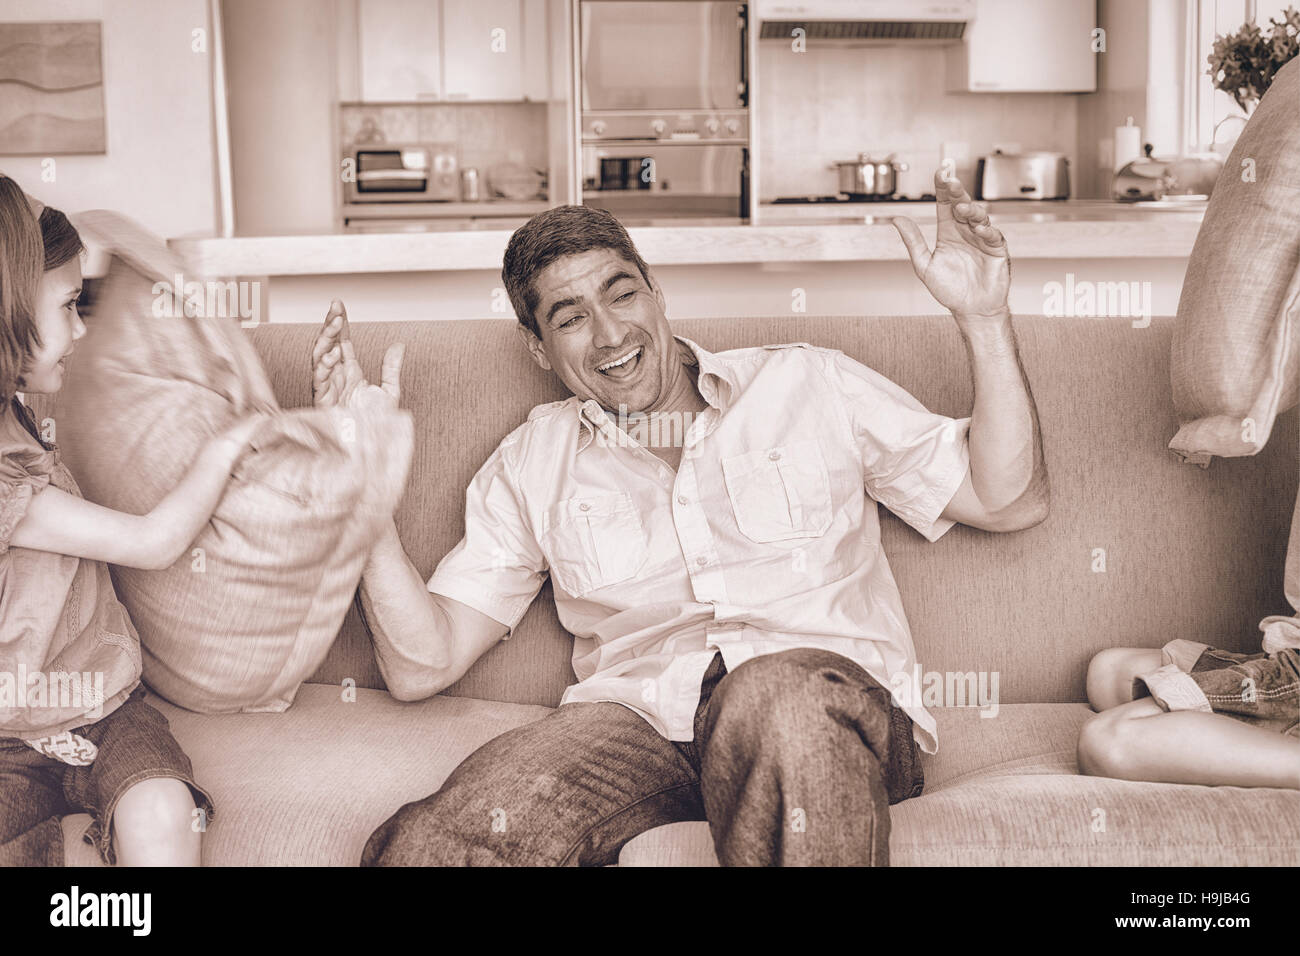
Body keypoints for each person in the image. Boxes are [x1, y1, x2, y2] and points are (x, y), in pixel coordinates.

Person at [312, 170, 1050, 866]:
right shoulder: (529, 461)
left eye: (621, 295)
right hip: (635, 728)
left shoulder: (807, 382)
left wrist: (983, 317)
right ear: (537, 348)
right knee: (437, 836)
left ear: (657, 294)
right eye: (570, 318)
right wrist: (367, 503)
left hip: (818, 716)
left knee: (771, 697)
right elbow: (422, 664)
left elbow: (1007, 498)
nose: (609, 335)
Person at [0, 176, 264, 866]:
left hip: (108, 712)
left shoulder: (18, 425)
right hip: (7, 739)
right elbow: (152, 543)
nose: (82, 328)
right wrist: (226, 445)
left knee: (162, 806)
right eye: (67, 306)